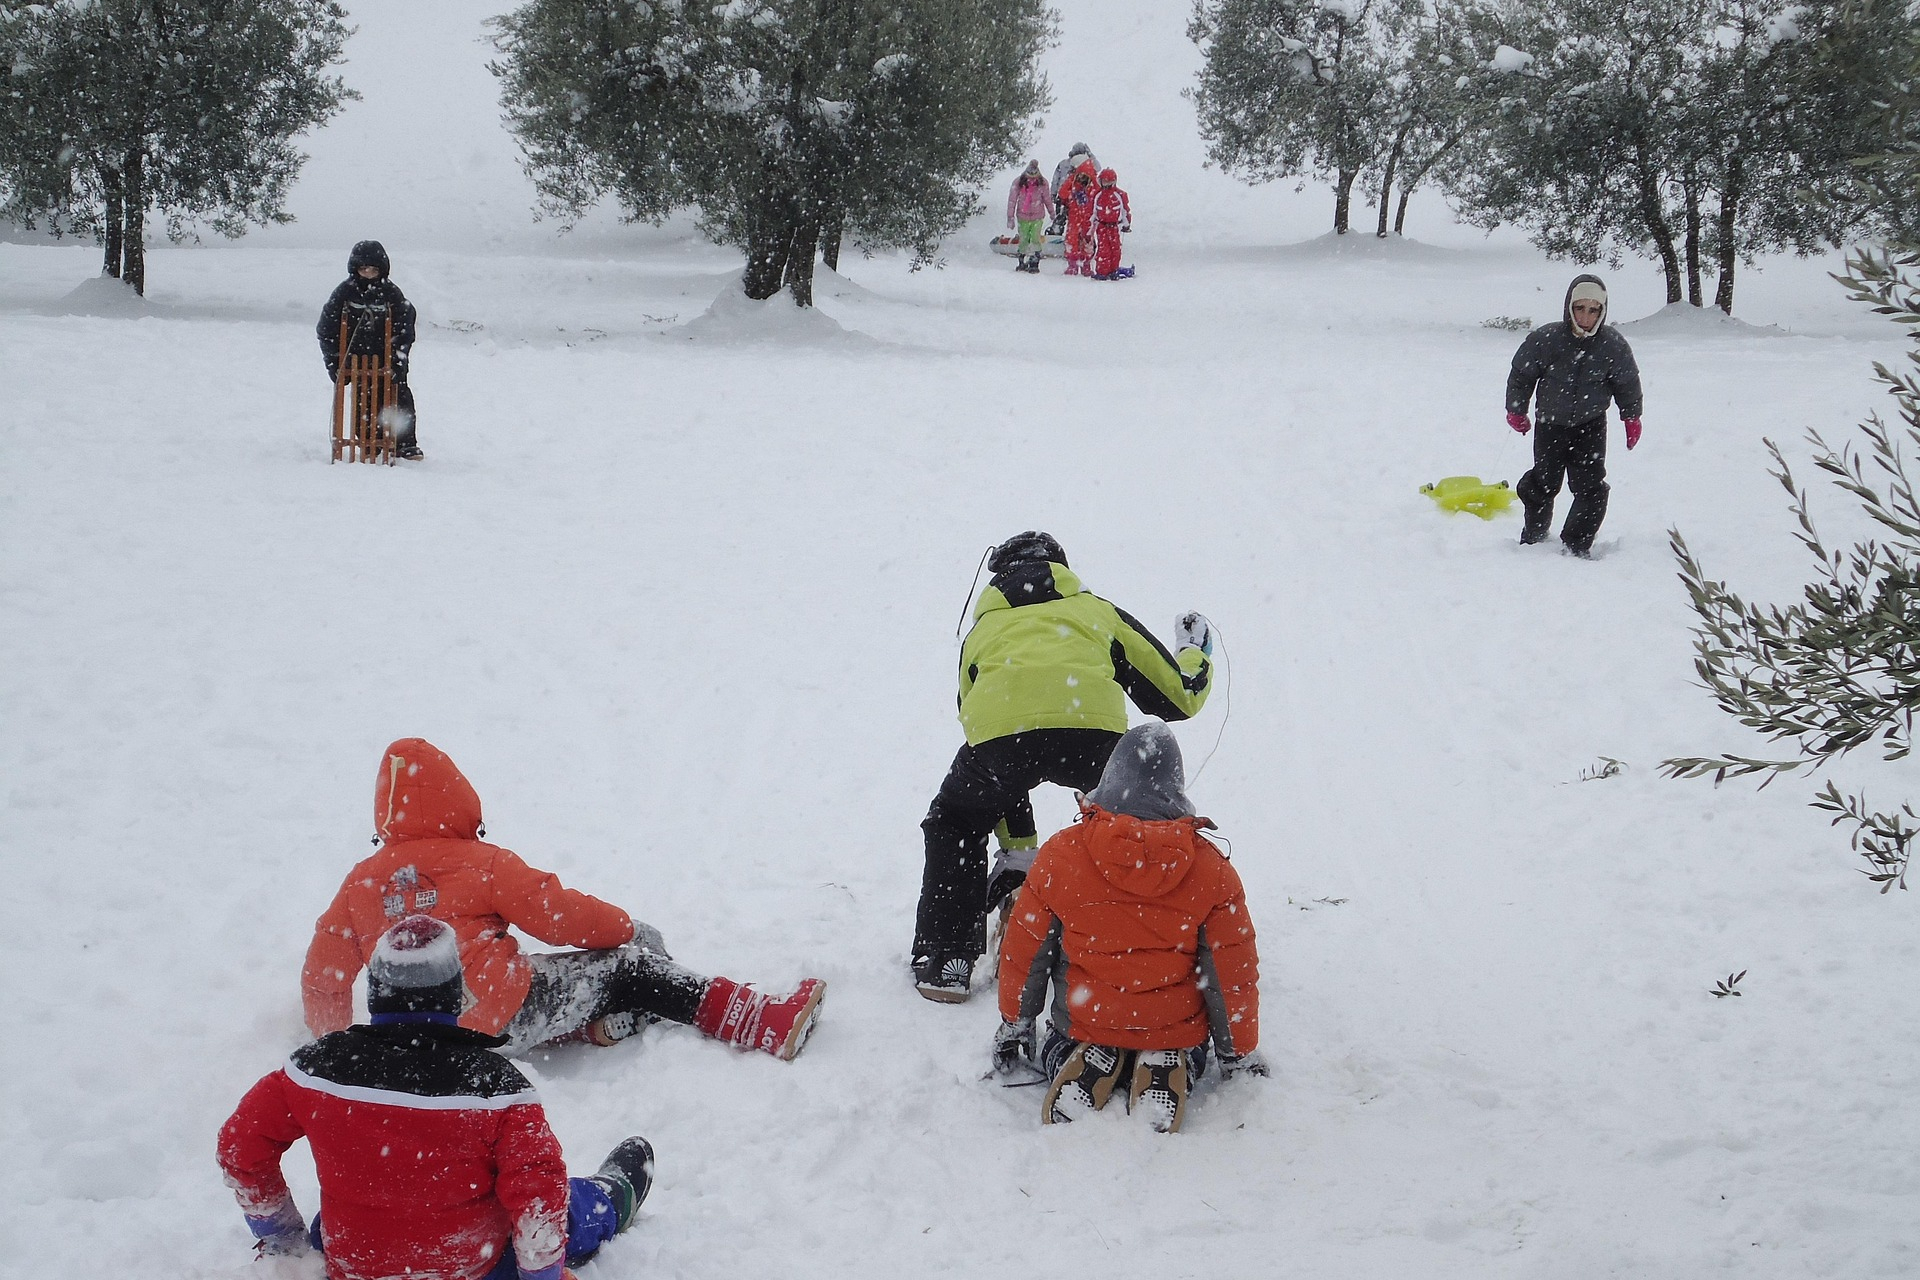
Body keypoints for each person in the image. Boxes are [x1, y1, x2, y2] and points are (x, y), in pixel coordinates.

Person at [302, 737, 825, 1060]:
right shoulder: (481, 862)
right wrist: (624, 929)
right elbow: (559, 917)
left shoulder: (361, 883)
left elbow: (322, 977)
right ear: (458, 801)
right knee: (630, 968)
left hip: (421, 1040)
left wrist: (336, 1045)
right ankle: (763, 1022)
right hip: (501, 1016)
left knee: (544, 978)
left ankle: (593, 1028)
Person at [220, 915, 656, 1280]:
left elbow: (239, 1146)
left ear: (376, 991)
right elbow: (538, 1197)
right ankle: (614, 1196)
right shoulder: (496, 1088)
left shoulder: (314, 1072)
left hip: (356, 1262)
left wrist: (283, 1240)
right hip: (476, 1264)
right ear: (453, 994)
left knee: (330, 1227)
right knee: (569, 1208)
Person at [913, 531, 1215, 1002]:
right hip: (1091, 733)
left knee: (958, 818)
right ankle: (1156, 949)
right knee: (1133, 826)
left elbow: (977, 720)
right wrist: (1195, 651)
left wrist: (1018, 849)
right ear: (1061, 569)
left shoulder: (981, 632)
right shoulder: (1094, 611)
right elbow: (1180, 697)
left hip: (1001, 739)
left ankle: (947, 959)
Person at [990, 722, 1262, 1133]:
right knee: (1187, 1051)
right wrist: (1236, 1053)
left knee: (1059, 1044)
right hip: (1175, 1031)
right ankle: (1164, 1063)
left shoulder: (1063, 855)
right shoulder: (1211, 870)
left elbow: (1027, 952)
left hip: (1083, 1021)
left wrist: (1016, 1022)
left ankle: (1081, 1057)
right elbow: (1230, 974)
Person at [1505, 274, 1644, 557]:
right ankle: (1534, 535)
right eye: (1579, 308)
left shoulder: (1612, 346)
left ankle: (1576, 544)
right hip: (1550, 425)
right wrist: (1516, 409)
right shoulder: (1547, 339)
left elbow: (1626, 382)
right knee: (1544, 483)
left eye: (1593, 310)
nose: (1585, 316)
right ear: (1569, 307)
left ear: (1602, 312)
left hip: (1590, 425)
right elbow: (1522, 373)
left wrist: (1631, 416)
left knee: (1591, 488)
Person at [318, 240, 424, 460]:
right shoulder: (344, 292)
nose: (368, 273)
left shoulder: (391, 294)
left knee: (398, 395)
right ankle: (370, 440)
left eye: (373, 269)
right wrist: (335, 362)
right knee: (363, 400)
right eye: (363, 269)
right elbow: (327, 328)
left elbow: (404, 328)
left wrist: (397, 360)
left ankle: (404, 443)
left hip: (385, 356)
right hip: (356, 358)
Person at [1006, 160, 1053, 274]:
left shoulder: (1042, 183)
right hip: (1023, 217)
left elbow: (1047, 199)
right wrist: (1010, 217)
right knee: (1023, 239)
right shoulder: (1018, 183)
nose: (1032, 180)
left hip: (1037, 216)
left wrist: (1052, 212)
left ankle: (1034, 262)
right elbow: (1012, 200)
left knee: (1035, 239)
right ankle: (1022, 261)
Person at [1090, 169, 1132, 281]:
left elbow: (1125, 211)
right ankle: (1102, 271)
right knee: (1104, 250)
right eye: (1104, 181)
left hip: (1115, 227)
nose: (1106, 184)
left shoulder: (1119, 195)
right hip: (1102, 226)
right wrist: (1089, 227)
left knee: (1116, 249)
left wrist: (1126, 224)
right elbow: (1092, 212)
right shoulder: (1097, 195)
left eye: (1108, 182)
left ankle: (1114, 270)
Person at [1059, 162, 1098, 278]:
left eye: (1085, 176)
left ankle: (1086, 265)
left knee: (1087, 243)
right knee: (1071, 242)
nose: (1082, 178)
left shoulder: (1094, 185)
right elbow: (1062, 193)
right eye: (1080, 175)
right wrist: (1072, 194)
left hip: (1088, 220)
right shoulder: (1072, 182)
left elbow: (1098, 194)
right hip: (1074, 219)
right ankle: (1073, 266)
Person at [1048, 143, 1096, 234]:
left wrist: (1054, 193)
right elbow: (1055, 179)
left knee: (1070, 220)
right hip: (1066, 196)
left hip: (1075, 196)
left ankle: (1065, 236)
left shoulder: (1085, 164)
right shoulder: (1064, 163)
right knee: (1062, 219)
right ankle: (1058, 235)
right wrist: (1053, 193)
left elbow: (1055, 180)